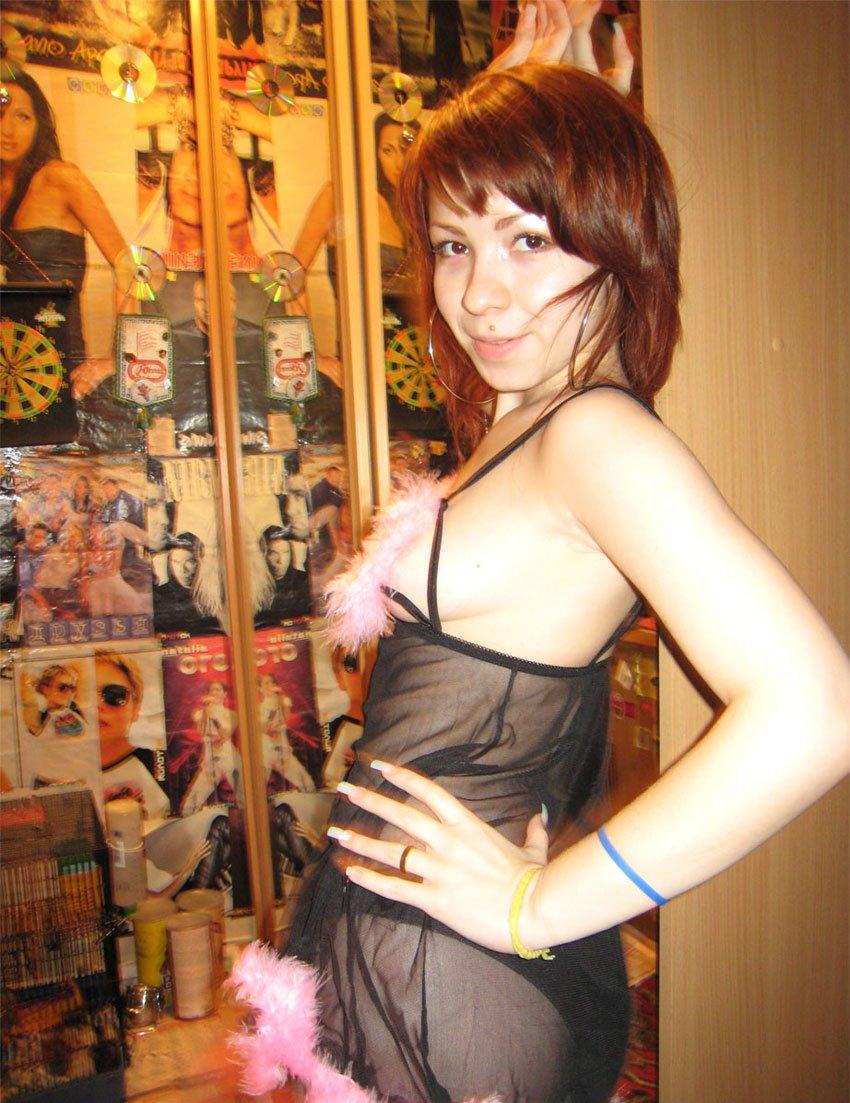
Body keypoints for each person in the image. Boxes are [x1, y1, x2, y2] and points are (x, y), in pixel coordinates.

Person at [238, 4, 850, 1103]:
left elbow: (816, 710)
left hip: (455, 990)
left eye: (529, 240)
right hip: (408, 955)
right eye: (453, 245)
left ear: (615, 231)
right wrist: (541, 96)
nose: (480, 294)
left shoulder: (594, 436)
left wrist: (538, 905)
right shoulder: (525, 413)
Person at [0, 69, 127, 400]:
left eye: (22, 117)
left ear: (39, 124)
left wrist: (118, 357)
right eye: (0, 114)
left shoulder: (60, 178)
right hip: (9, 372)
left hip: (61, 368)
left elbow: (130, 267)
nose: (8, 129)